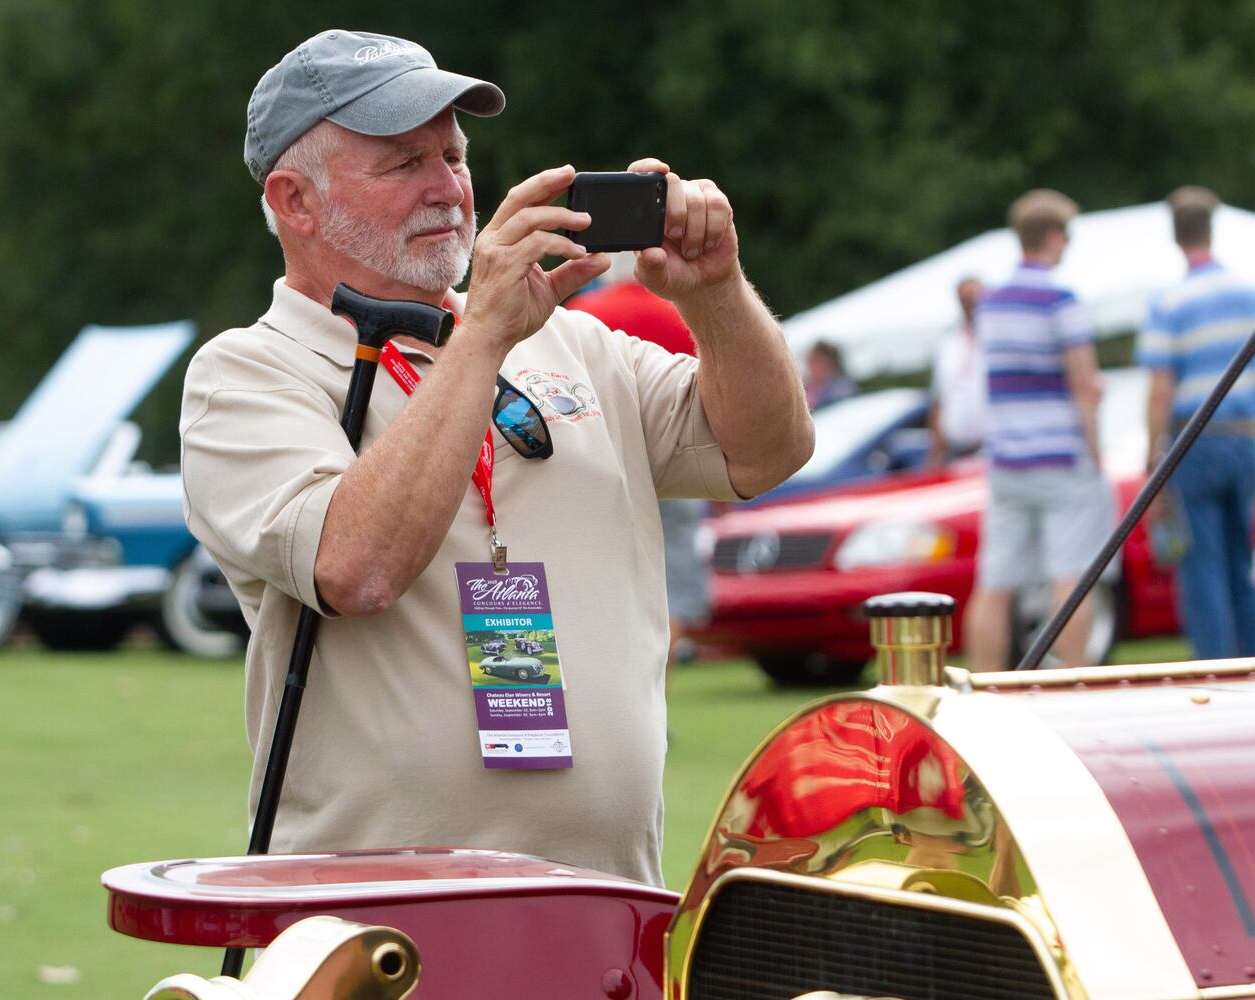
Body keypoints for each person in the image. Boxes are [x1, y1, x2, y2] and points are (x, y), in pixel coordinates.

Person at [178, 29, 812, 887]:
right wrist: (480, 338)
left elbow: (769, 452)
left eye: (454, 155)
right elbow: (355, 568)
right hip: (378, 931)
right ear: (295, 201)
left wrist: (718, 294)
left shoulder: (573, 341)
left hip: (609, 909)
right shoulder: (246, 374)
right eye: (404, 165)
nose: (448, 188)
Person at [963, 189, 1115, 672]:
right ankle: (1072, 682)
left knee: (994, 584)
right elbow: (1082, 385)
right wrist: (1097, 454)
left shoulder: (991, 303)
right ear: (1053, 236)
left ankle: (980, 690)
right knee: (1071, 576)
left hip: (1007, 459)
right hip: (1059, 457)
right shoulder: (1060, 298)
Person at [1136, 186, 1255, 659]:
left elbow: (1161, 388)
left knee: (1201, 565)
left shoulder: (1171, 301)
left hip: (1195, 442)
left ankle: (1215, 673)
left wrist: (1152, 452)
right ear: (1212, 226)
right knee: (1243, 564)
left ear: (1175, 235)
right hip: (1245, 440)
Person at [567, 255, 711, 667]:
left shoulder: (580, 315)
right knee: (672, 582)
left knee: (595, 574)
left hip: (598, 460)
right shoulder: (681, 315)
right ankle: (660, 705)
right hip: (677, 459)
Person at [928, 277, 987, 468]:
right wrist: (935, 454)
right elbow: (940, 399)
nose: (971, 304)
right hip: (956, 453)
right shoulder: (949, 343)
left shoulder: (999, 338)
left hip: (992, 449)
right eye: (965, 299)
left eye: (975, 298)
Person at [804, 340, 856, 410]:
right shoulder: (809, 387)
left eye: (815, 361)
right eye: (810, 361)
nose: (810, 366)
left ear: (829, 364)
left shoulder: (841, 389)